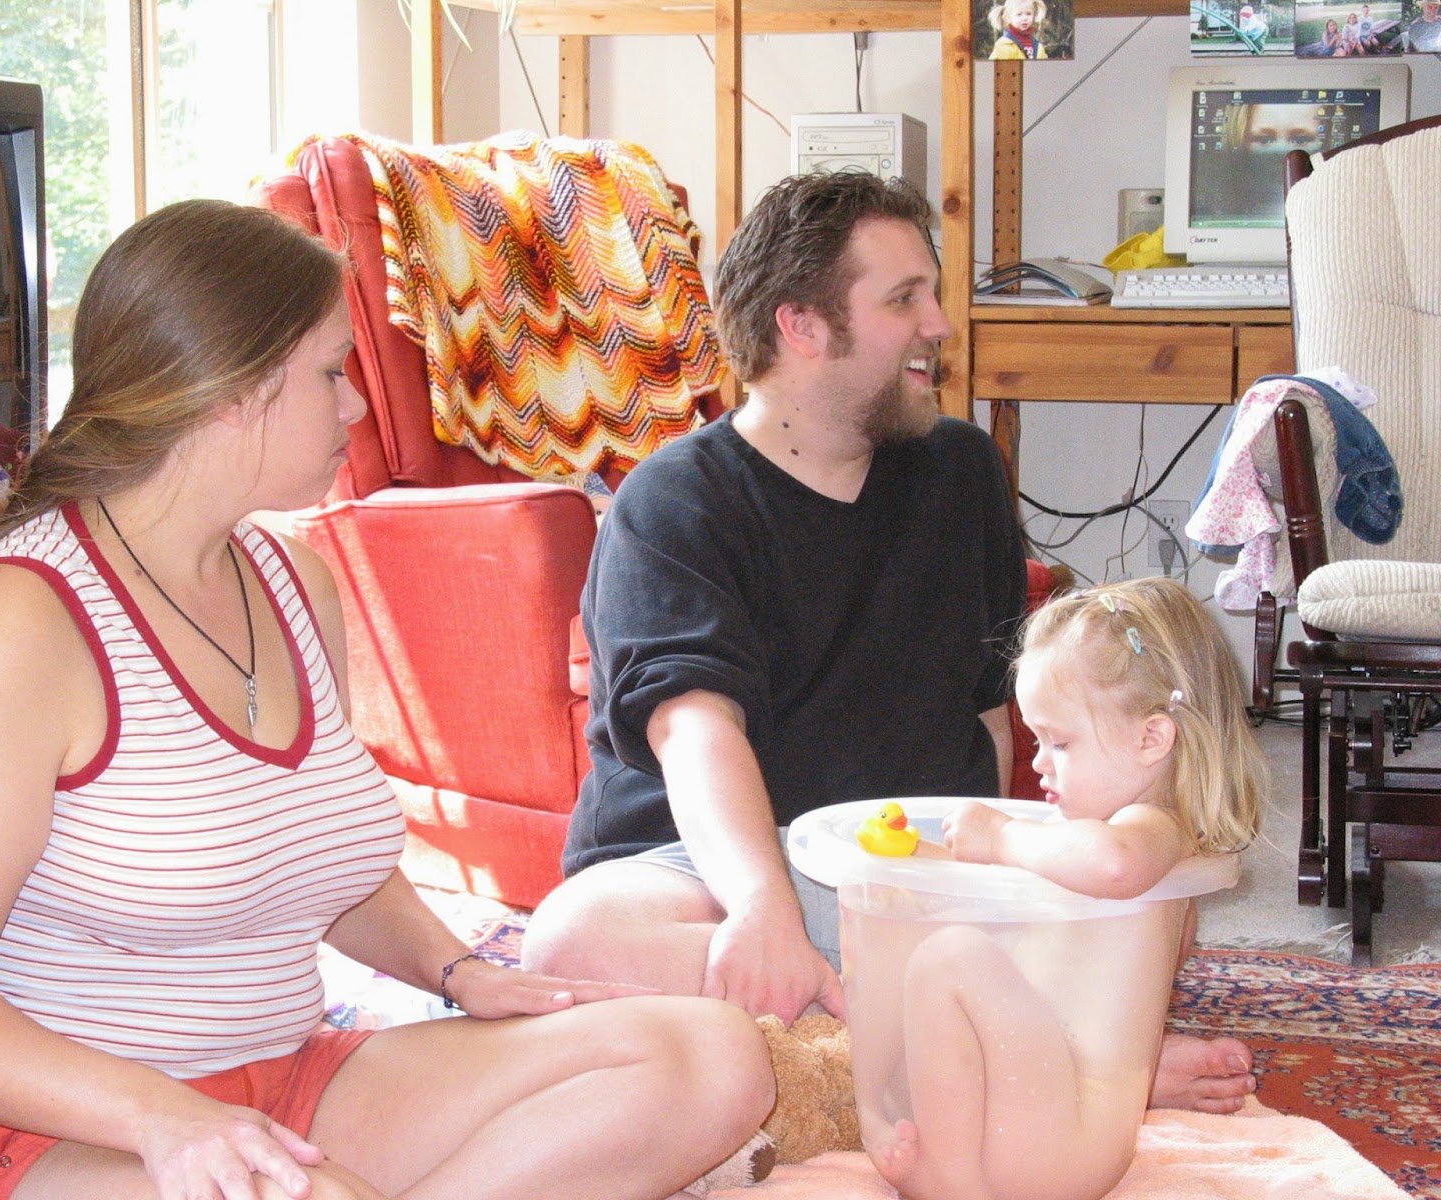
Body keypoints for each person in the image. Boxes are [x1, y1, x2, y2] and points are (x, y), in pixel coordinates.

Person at [0, 199, 774, 1200]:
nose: (357, 407)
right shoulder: (15, 622)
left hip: (281, 1080)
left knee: (710, 1057)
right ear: (231, 390)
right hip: (38, 1128)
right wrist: (161, 1117)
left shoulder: (296, 583)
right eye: (333, 371)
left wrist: (462, 972)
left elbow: (321, 867)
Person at [520, 170, 1259, 1115]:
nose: (940, 325)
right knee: (570, 945)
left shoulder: (962, 470)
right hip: (716, 866)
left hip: (912, 862)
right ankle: (1055, 1056)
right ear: (802, 326)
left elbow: (990, 718)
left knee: (1152, 897)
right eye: (904, 300)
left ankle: (881, 1041)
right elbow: (694, 733)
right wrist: (763, 909)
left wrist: (1011, 881)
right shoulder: (675, 501)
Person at [870, 577, 1265, 1199]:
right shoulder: (1103, 844)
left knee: (948, 958)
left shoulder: (1151, 830)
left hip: (1055, 1141)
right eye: (1036, 739)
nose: (1037, 763)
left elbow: (1113, 865)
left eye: (1060, 742)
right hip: (1061, 1113)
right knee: (956, 957)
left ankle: (950, 1179)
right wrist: (927, 860)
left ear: (1151, 739)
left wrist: (1002, 838)